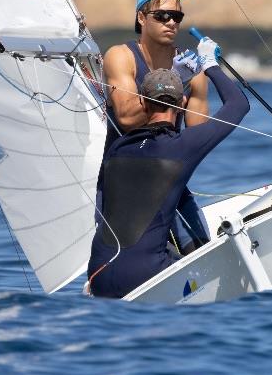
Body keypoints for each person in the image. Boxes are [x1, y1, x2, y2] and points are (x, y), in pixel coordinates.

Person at [88, 37, 249, 298]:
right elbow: (239, 104)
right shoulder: (183, 146)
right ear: (183, 103)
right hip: (144, 278)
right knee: (205, 261)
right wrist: (210, 65)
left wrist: (172, 75)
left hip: (97, 278)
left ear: (141, 103)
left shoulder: (117, 149)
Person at [96, 0, 210, 253]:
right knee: (129, 260)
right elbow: (127, 118)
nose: (171, 22)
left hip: (169, 179)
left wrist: (211, 67)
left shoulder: (192, 68)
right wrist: (175, 82)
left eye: (177, 17)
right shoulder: (120, 57)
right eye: (162, 16)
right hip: (123, 183)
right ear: (141, 18)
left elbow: (199, 138)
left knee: (199, 249)